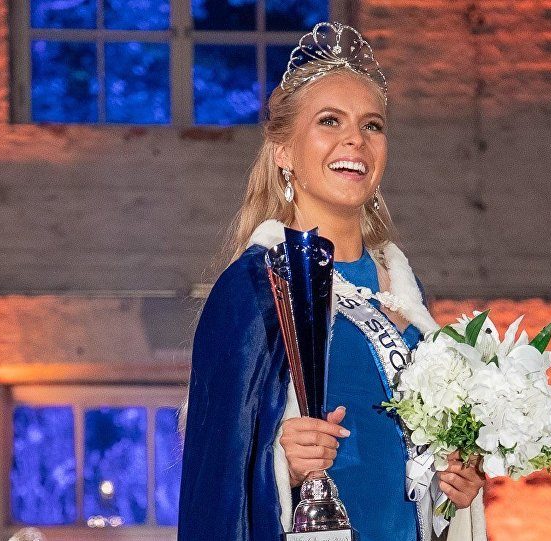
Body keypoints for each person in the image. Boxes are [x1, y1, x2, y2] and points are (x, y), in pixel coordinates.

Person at [179, 21, 486, 541]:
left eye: (372, 125)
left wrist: (454, 482)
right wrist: (282, 462)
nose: (355, 140)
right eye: (329, 121)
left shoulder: (405, 293)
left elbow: (403, 470)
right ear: (283, 152)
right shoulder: (255, 286)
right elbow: (216, 474)